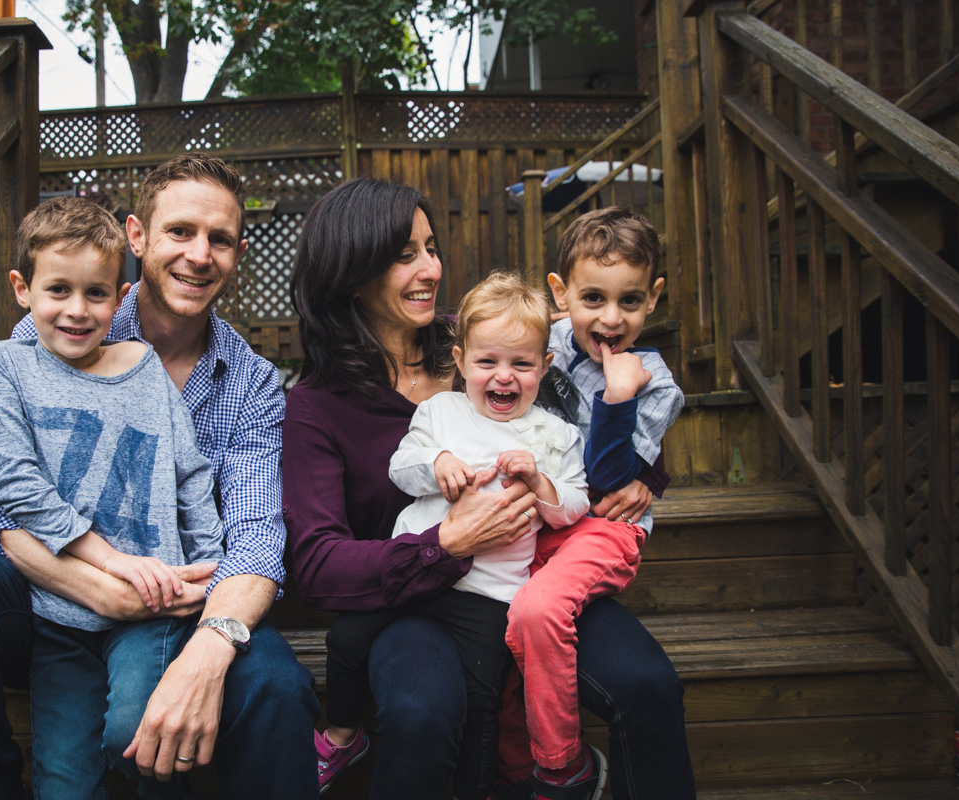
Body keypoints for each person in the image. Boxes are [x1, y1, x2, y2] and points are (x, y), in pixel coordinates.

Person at [0, 154, 320, 800]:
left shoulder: (248, 383)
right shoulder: (60, 325)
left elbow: (254, 539)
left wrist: (205, 648)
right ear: (137, 237)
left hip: (175, 602)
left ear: (238, 252)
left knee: (276, 685)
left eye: (219, 239)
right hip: (44, 599)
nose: (200, 254)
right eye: (180, 232)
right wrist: (94, 585)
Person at [284, 178, 695, 800]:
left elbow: (599, 364)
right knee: (423, 710)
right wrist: (442, 545)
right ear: (351, 271)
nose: (430, 268)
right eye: (404, 255)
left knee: (646, 684)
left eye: (431, 247)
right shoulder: (318, 405)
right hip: (424, 599)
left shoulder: (490, 337)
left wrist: (646, 475)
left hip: (541, 571)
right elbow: (317, 563)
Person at [0, 196, 227, 798]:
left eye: (96, 293)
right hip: (58, 617)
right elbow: (12, 484)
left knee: (132, 739)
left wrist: (209, 564)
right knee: (62, 777)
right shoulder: (6, 367)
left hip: (154, 608)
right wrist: (113, 562)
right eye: (58, 289)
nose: (77, 311)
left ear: (122, 296)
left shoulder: (142, 366)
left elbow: (188, 470)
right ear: (22, 288)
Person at [315, 271, 591, 799]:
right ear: (461, 361)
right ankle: (342, 734)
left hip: (488, 594)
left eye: (522, 364)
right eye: (487, 362)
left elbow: (573, 507)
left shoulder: (555, 436)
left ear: (545, 366)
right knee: (345, 639)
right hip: (414, 567)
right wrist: (436, 462)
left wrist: (540, 482)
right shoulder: (440, 412)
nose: (503, 377)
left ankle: (477, 786)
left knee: (482, 695)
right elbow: (402, 466)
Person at [497, 206, 687, 800]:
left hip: (599, 527)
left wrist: (617, 395)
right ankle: (511, 771)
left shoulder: (653, 383)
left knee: (537, 611)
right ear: (560, 294)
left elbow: (608, 476)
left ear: (653, 298)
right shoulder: (542, 337)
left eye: (630, 301)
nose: (611, 319)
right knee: (506, 643)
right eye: (593, 299)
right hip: (536, 522)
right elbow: (483, 335)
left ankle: (562, 768)